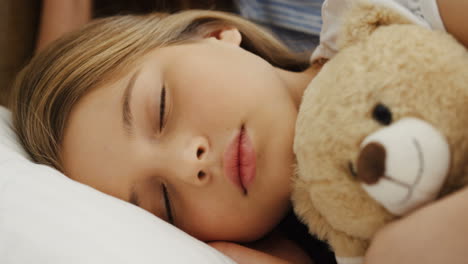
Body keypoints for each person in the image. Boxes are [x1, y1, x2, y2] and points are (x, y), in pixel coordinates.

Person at [8, 0, 468, 263]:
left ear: (212, 33)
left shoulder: (388, 15)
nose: (190, 165)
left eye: (161, 110)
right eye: (165, 204)